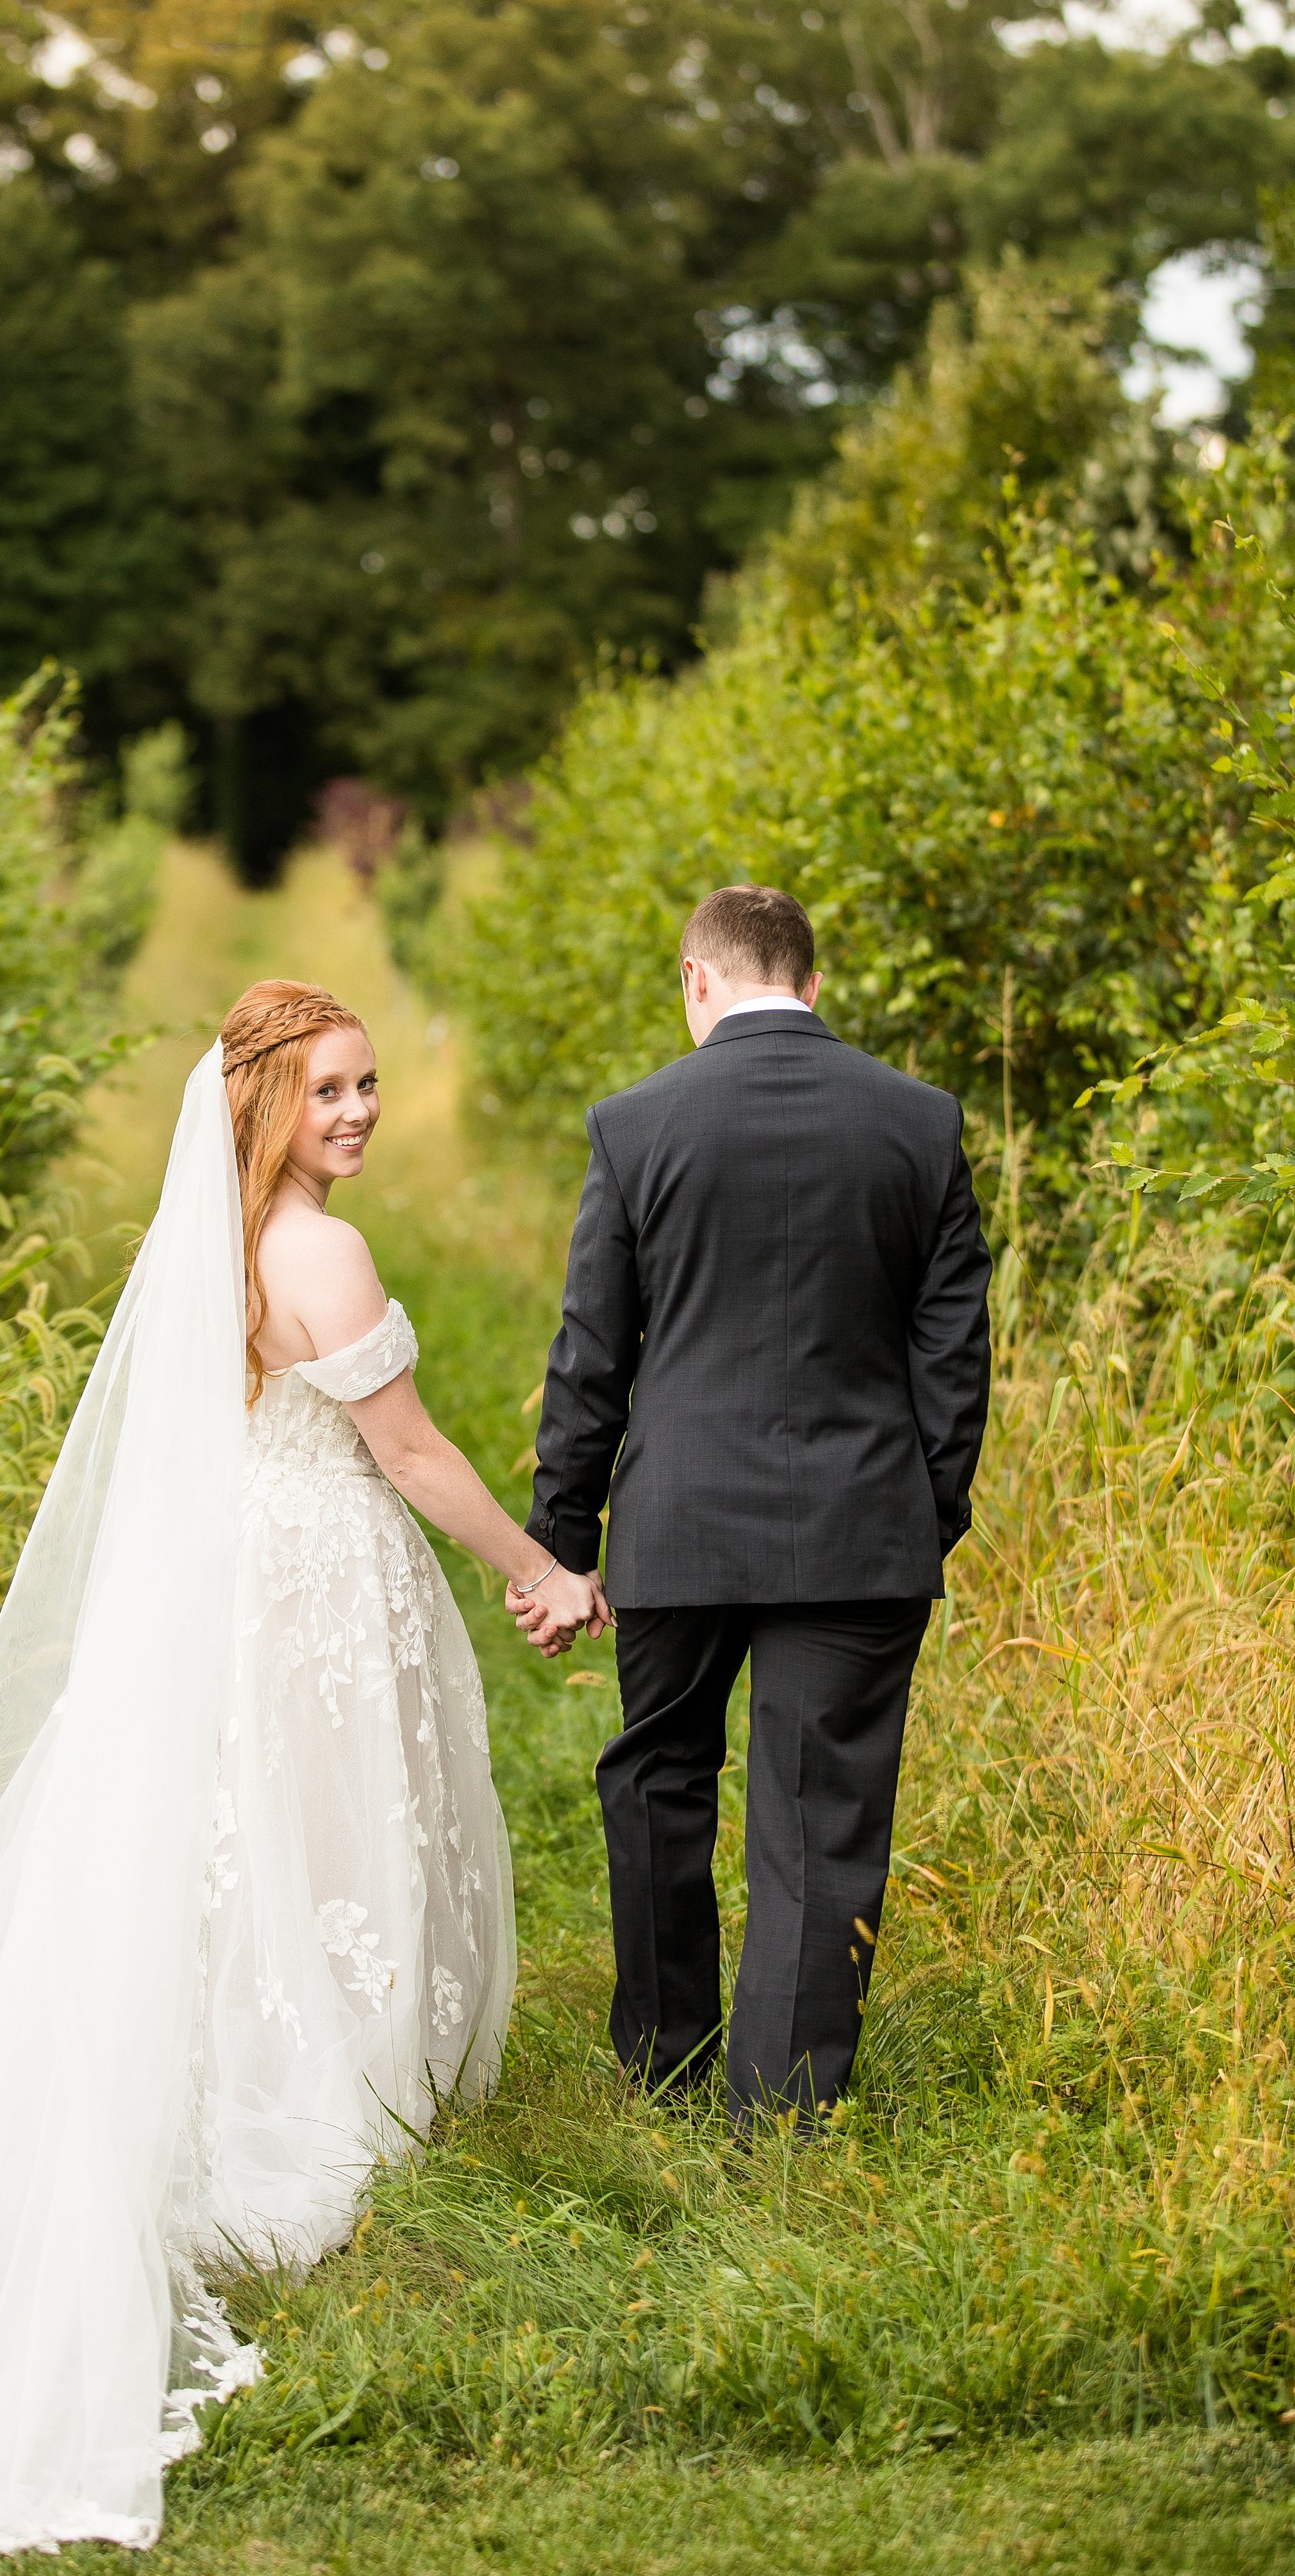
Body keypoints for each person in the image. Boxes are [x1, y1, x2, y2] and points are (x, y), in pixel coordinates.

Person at [0, 982, 599, 2563]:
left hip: (230, 1577)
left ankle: (234, 2065)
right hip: (316, 1584)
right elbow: (408, 1453)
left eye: (367, 1087)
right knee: (328, 1836)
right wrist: (543, 1570)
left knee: (247, 1837)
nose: (356, 1113)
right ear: (268, 1099)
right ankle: (322, 2097)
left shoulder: (207, 1238)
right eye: (330, 1091)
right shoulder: (320, 1250)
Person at [515, 886, 990, 2122]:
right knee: (819, 1812)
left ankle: (665, 2059)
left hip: (678, 1522)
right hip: (862, 1522)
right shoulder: (921, 1123)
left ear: (696, 980)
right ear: (813, 984)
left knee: (660, 1777)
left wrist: (564, 1542)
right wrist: (919, 1512)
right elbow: (954, 1359)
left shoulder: (636, 1125)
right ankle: (780, 2111)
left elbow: (590, 1355)